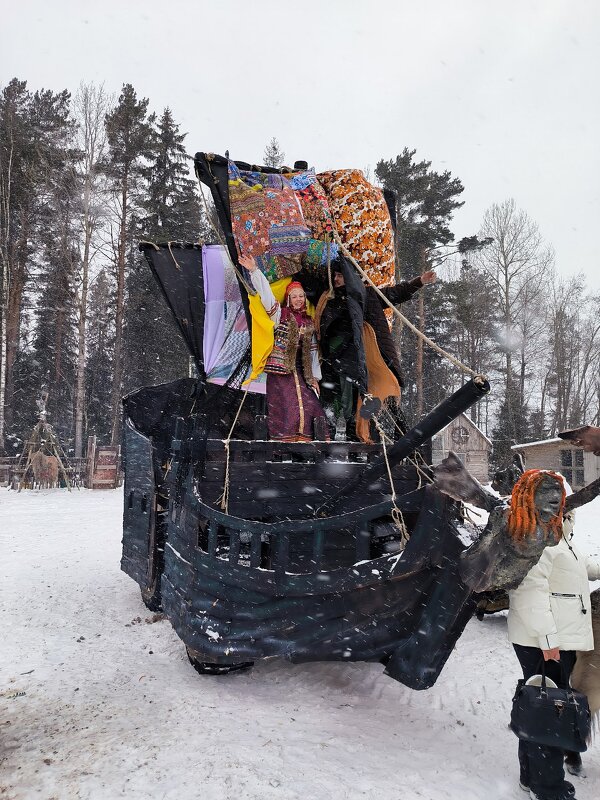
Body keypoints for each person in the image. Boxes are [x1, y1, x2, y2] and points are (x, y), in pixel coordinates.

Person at [507, 473, 600, 800]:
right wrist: (548, 642)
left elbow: (579, 566)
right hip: (544, 641)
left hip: (556, 638)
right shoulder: (535, 537)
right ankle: (547, 788)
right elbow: (529, 593)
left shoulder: (556, 535)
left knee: (539, 704)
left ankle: (530, 777)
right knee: (549, 710)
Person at [315, 265, 436, 440]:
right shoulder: (330, 300)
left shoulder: (367, 295)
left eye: (340, 275)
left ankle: (387, 438)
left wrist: (419, 281)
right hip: (340, 360)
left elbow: (395, 293)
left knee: (378, 398)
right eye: (335, 275)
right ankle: (346, 439)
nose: (336, 279)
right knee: (342, 402)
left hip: (369, 357)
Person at [239, 254, 328, 442]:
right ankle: (285, 442)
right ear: (288, 299)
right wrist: (254, 271)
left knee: (311, 405)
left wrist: (314, 378)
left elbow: (312, 352)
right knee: (289, 406)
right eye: (294, 296)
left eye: (301, 296)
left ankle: (307, 442)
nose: (298, 299)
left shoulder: (308, 322)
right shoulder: (280, 315)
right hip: (280, 371)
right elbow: (267, 297)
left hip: (300, 371)